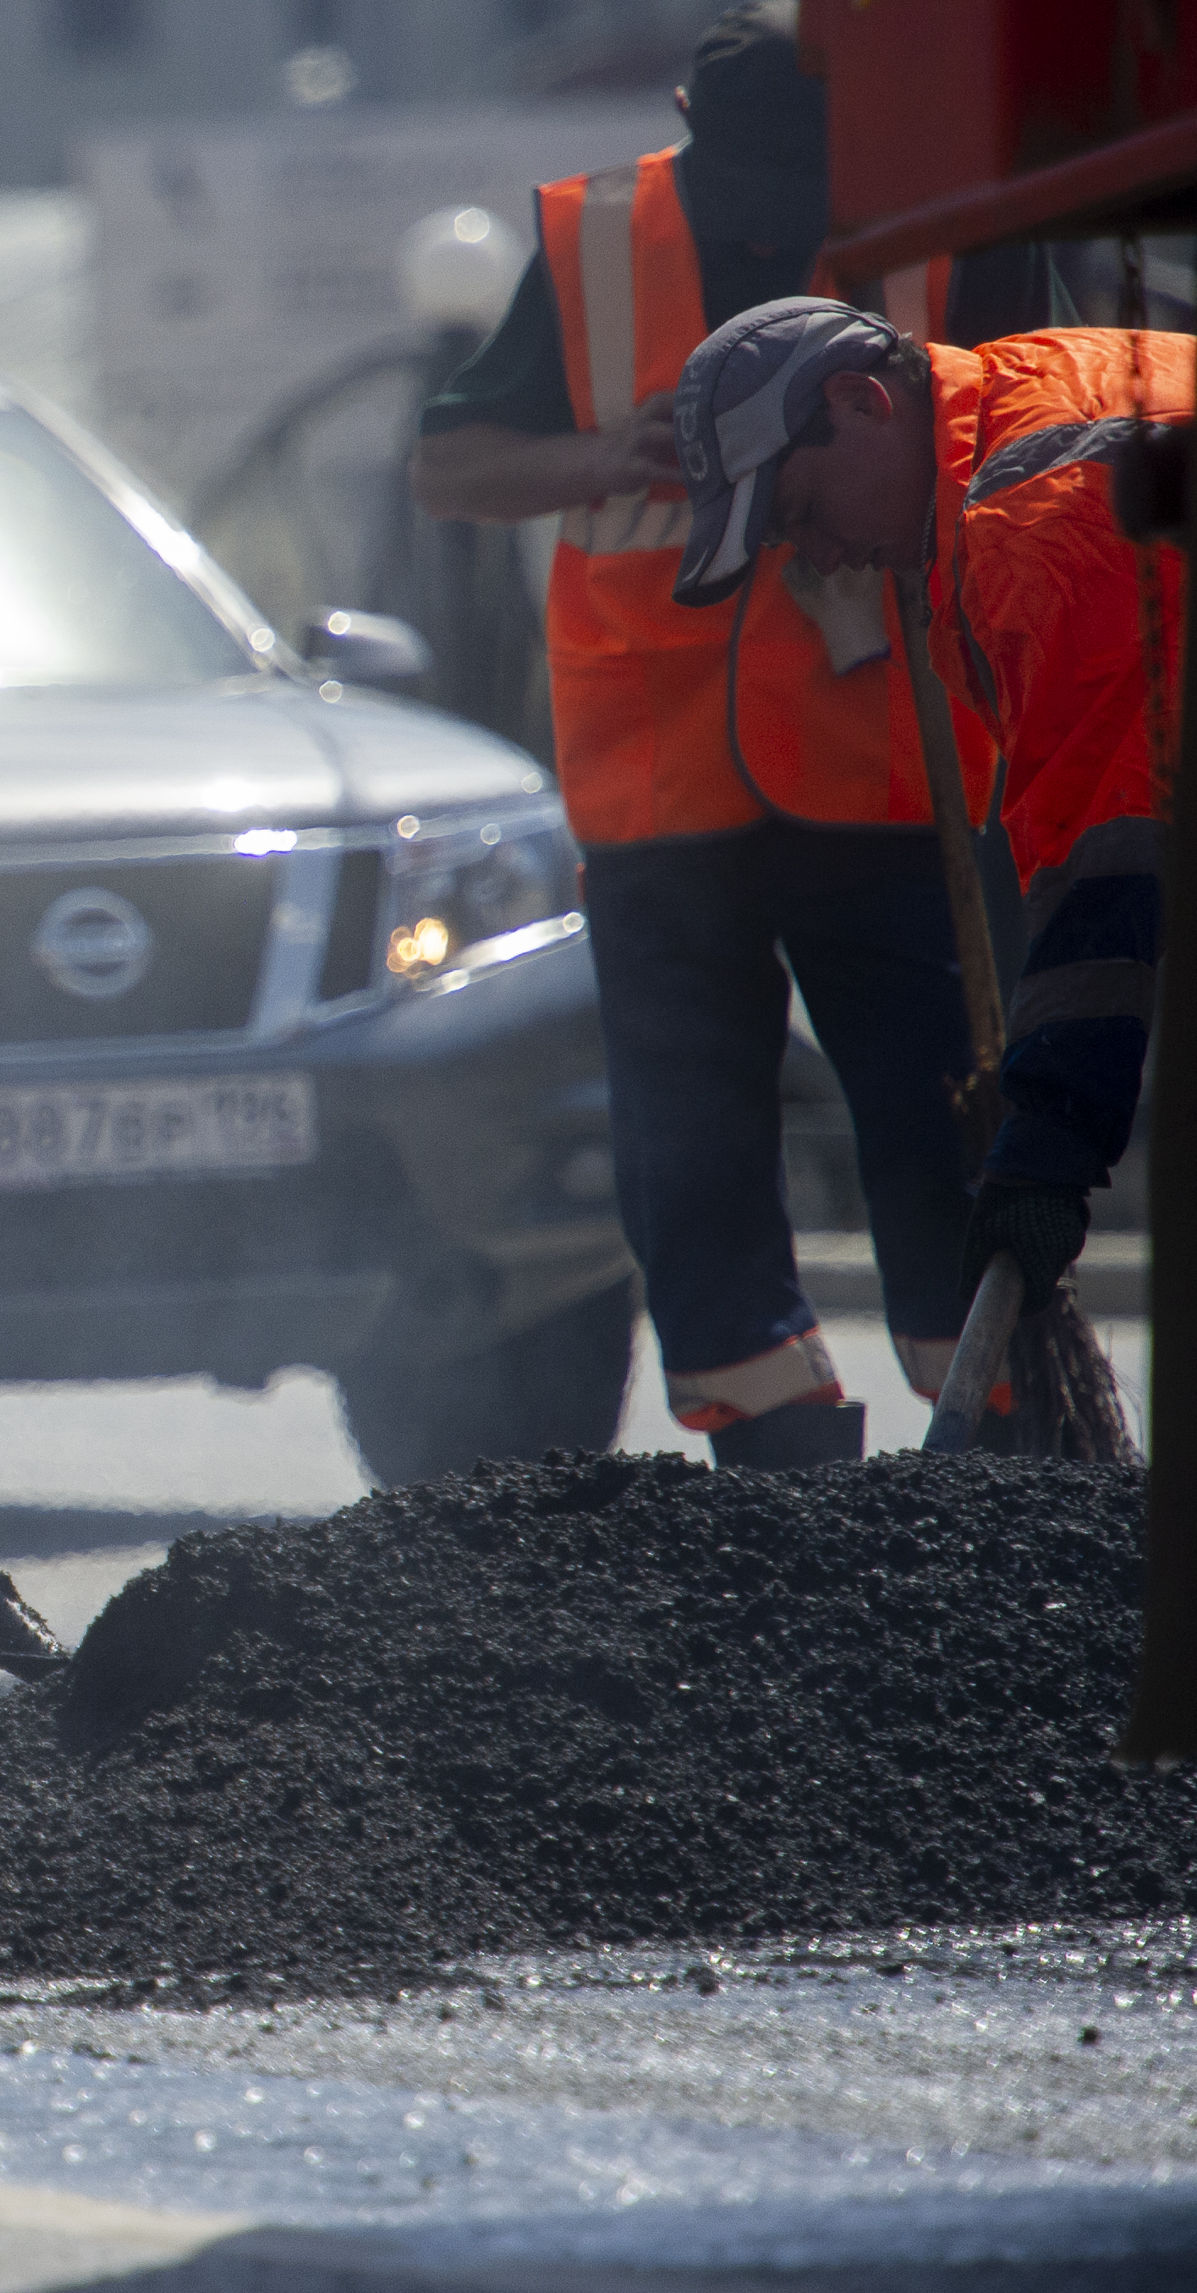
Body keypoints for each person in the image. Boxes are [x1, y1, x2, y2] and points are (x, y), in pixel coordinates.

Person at [409, 3, 1017, 1469]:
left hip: (888, 771)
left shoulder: (949, 228)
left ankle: (993, 1422)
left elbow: (1032, 438)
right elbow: (448, 463)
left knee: (943, 1111)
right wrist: (593, 455)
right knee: (687, 1143)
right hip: (660, 774)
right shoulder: (598, 242)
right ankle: (771, 1448)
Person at [670, 294, 1187, 1335]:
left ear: (862, 400)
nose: (815, 555)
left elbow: (1110, 859)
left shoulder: (1030, 520)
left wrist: (1048, 1147)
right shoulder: (1022, 389)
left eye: (803, 508)